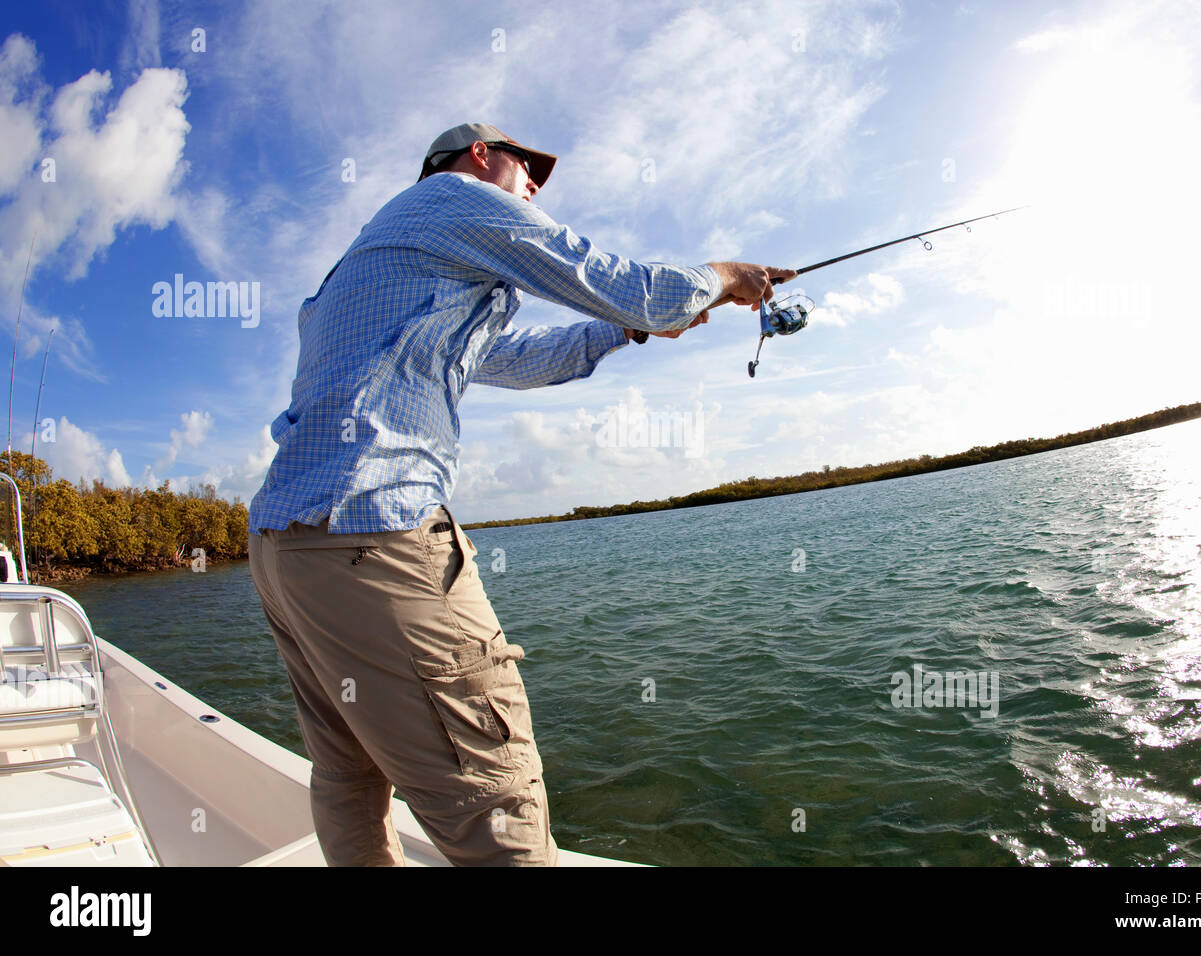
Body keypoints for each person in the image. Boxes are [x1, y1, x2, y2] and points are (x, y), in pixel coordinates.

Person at [247, 122, 795, 866]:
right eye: (525, 167)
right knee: (495, 792)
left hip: (289, 552)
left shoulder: (381, 263)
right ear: (478, 157)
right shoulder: (455, 199)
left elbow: (520, 359)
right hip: (377, 535)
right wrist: (726, 276)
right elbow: (624, 283)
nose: (534, 186)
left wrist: (625, 333)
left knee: (350, 772)